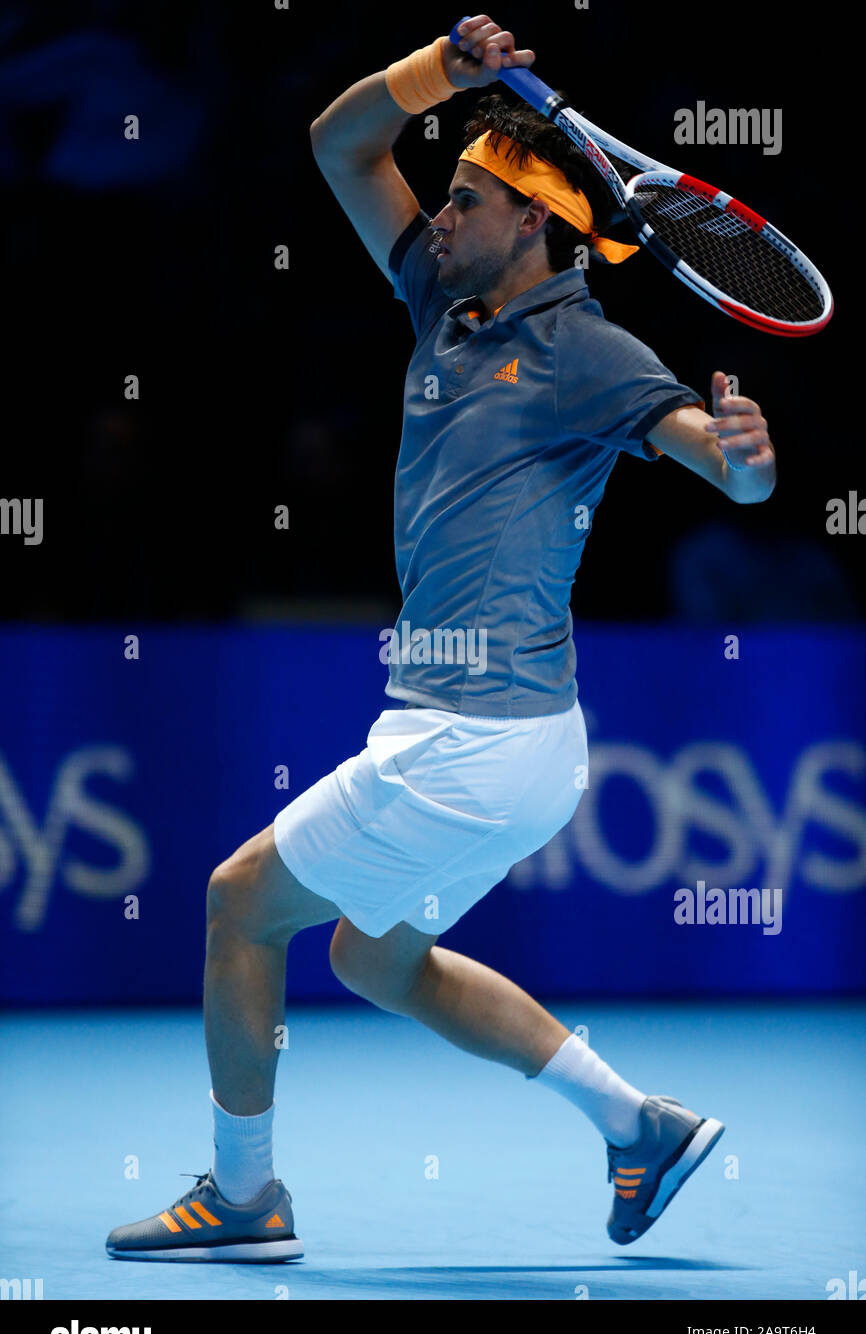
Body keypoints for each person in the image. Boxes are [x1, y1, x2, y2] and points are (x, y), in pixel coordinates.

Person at [106, 14, 775, 1262]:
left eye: (464, 196)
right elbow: (339, 145)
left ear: (534, 221)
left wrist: (741, 466)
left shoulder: (588, 350)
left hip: (477, 740)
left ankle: (244, 1201)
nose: (440, 214)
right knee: (373, 958)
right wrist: (434, 74)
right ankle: (636, 1127)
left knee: (237, 904)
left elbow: (712, 463)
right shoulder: (442, 298)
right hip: (501, 743)